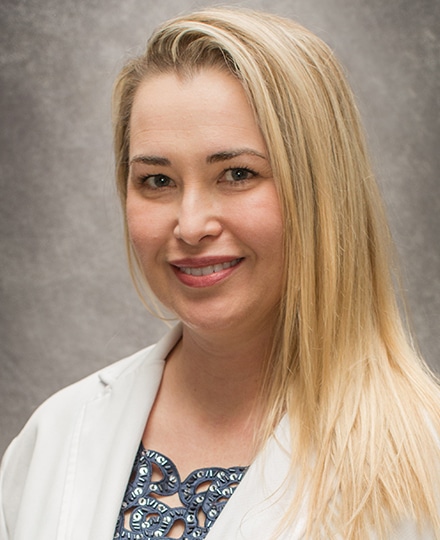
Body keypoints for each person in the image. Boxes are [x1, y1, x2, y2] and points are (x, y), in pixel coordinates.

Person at [1, 7, 439, 540]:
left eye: (237, 174)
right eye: (157, 180)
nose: (190, 225)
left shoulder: (424, 462)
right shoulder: (56, 435)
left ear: (323, 192)